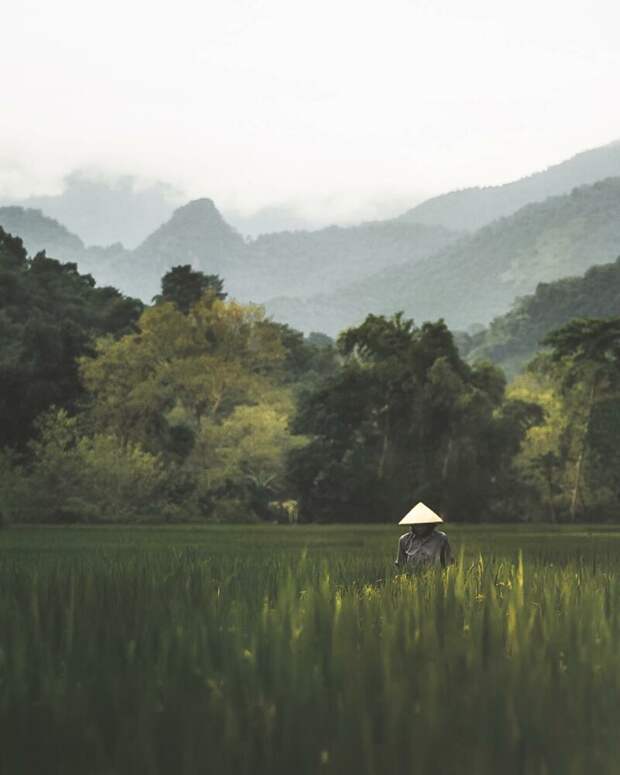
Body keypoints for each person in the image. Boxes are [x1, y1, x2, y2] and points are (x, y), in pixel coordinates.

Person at [394, 502, 453, 570]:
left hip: (435, 578)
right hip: (411, 578)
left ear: (430, 524)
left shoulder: (441, 539)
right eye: (417, 525)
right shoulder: (404, 540)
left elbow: (448, 564)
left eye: (423, 525)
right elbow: (401, 565)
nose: (419, 528)